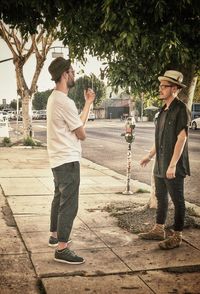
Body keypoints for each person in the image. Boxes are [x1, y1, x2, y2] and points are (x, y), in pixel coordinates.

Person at [47, 57, 95, 264]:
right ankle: (62, 248)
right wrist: (87, 105)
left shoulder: (53, 98)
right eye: (73, 72)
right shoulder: (64, 101)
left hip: (58, 159)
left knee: (59, 199)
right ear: (65, 74)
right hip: (68, 159)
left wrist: (88, 104)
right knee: (69, 205)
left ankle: (54, 236)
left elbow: (77, 126)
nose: (74, 75)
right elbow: (82, 134)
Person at [139, 70, 190, 250]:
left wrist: (173, 165)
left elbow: (182, 138)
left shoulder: (181, 109)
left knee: (178, 201)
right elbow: (159, 139)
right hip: (160, 164)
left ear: (174, 89)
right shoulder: (162, 111)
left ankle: (177, 236)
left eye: (164, 86)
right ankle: (159, 229)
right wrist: (149, 155)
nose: (160, 89)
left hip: (172, 166)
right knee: (161, 198)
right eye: (160, 85)